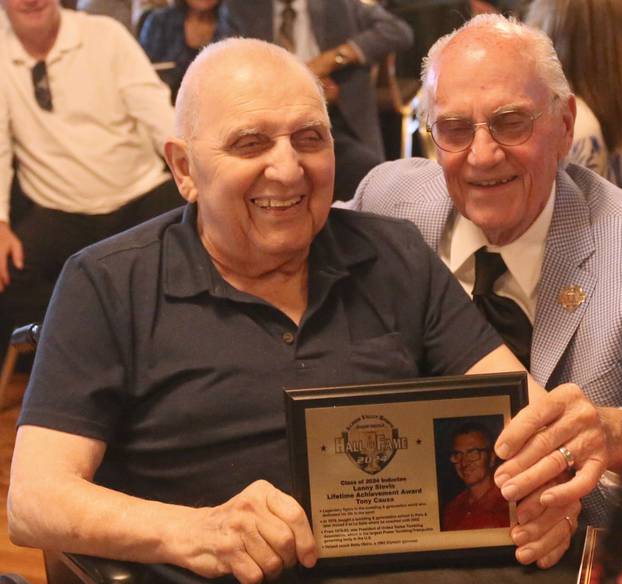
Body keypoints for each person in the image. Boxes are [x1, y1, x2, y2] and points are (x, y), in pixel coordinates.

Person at [8, 38, 590, 582]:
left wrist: (550, 494)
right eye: (249, 143)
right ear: (184, 169)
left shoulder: (393, 254)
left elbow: (524, 414)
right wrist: (197, 531)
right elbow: (35, 501)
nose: (288, 170)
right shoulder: (109, 282)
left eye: (310, 138)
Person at [348, 14, 622, 529]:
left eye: (510, 122)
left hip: (586, 549)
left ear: (564, 125)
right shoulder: (387, 201)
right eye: (454, 130)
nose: (481, 155)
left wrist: (616, 437)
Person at [0, 1, 182, 366]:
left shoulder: (105, 35)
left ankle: (169, 366)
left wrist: (195, 170)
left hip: (141, 193)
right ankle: (71, 374)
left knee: (201, 246)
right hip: (60, 209)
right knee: (10, 271)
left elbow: (157, 112)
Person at [219, 0, 413, 201]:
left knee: (367, 174)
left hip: (335, 124)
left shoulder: (339, 5)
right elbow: (228, 66)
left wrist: (334, 58)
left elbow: (398, 31)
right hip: (266, 124)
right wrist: (305, 91)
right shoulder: (241, 8)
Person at [138, 0, 224, 100]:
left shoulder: (232, 23)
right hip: (164, 103)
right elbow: (143, 76)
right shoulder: (159, 22)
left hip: (218, 103)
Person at [442, 422, 511, 531]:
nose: (464, 463)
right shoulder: (452, 509)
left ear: (492, 458)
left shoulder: (508, 505)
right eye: (458, 455)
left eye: (473, 453)